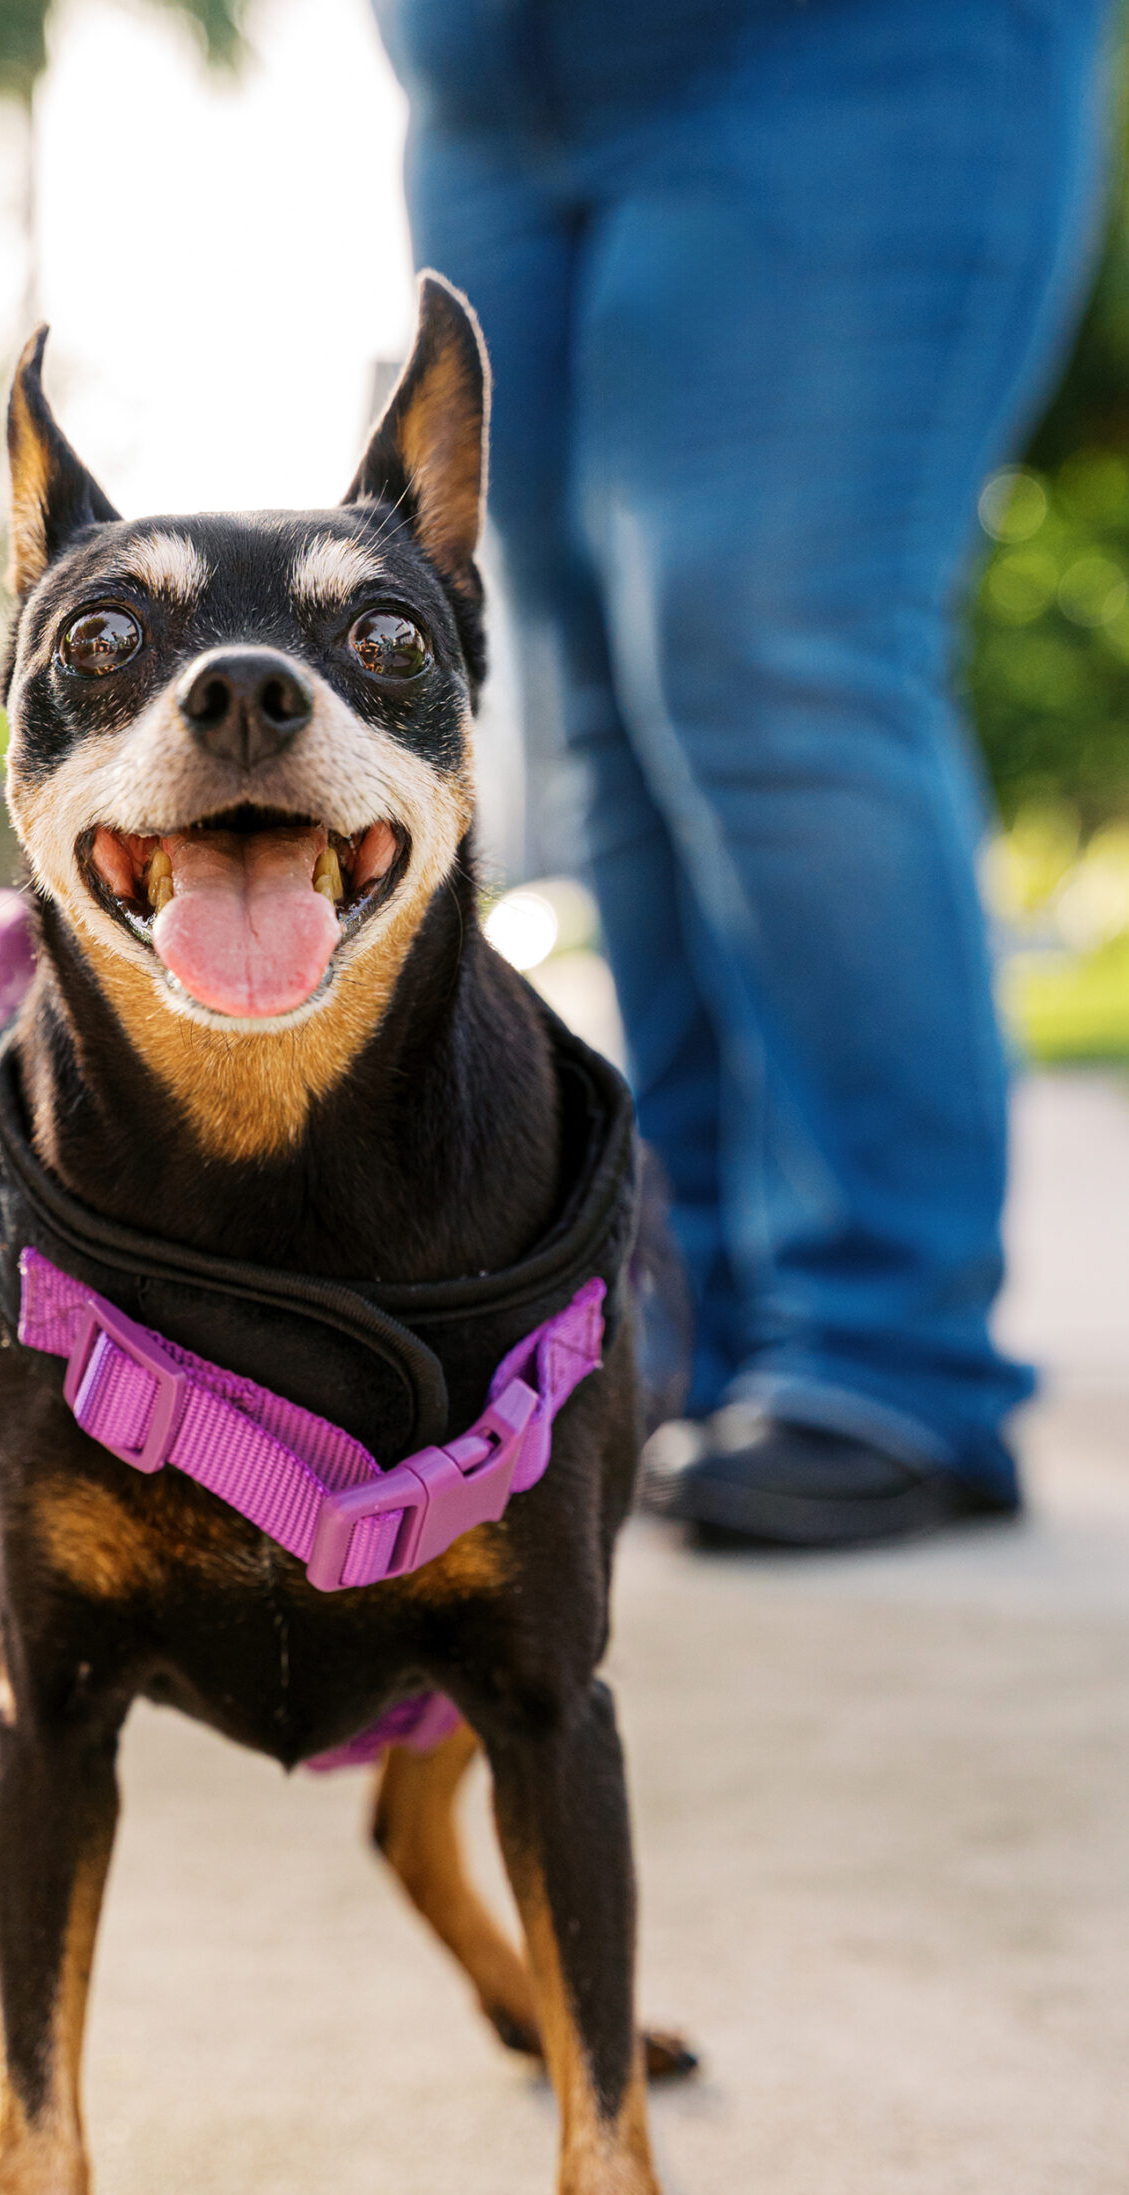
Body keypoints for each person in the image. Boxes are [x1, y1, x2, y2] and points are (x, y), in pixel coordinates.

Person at [373, 0, 1115, 1546]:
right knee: (597, 699)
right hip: (492, 92)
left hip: (849, 54)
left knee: (769, 638)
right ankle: (688, 1321)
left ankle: (892, 1357)